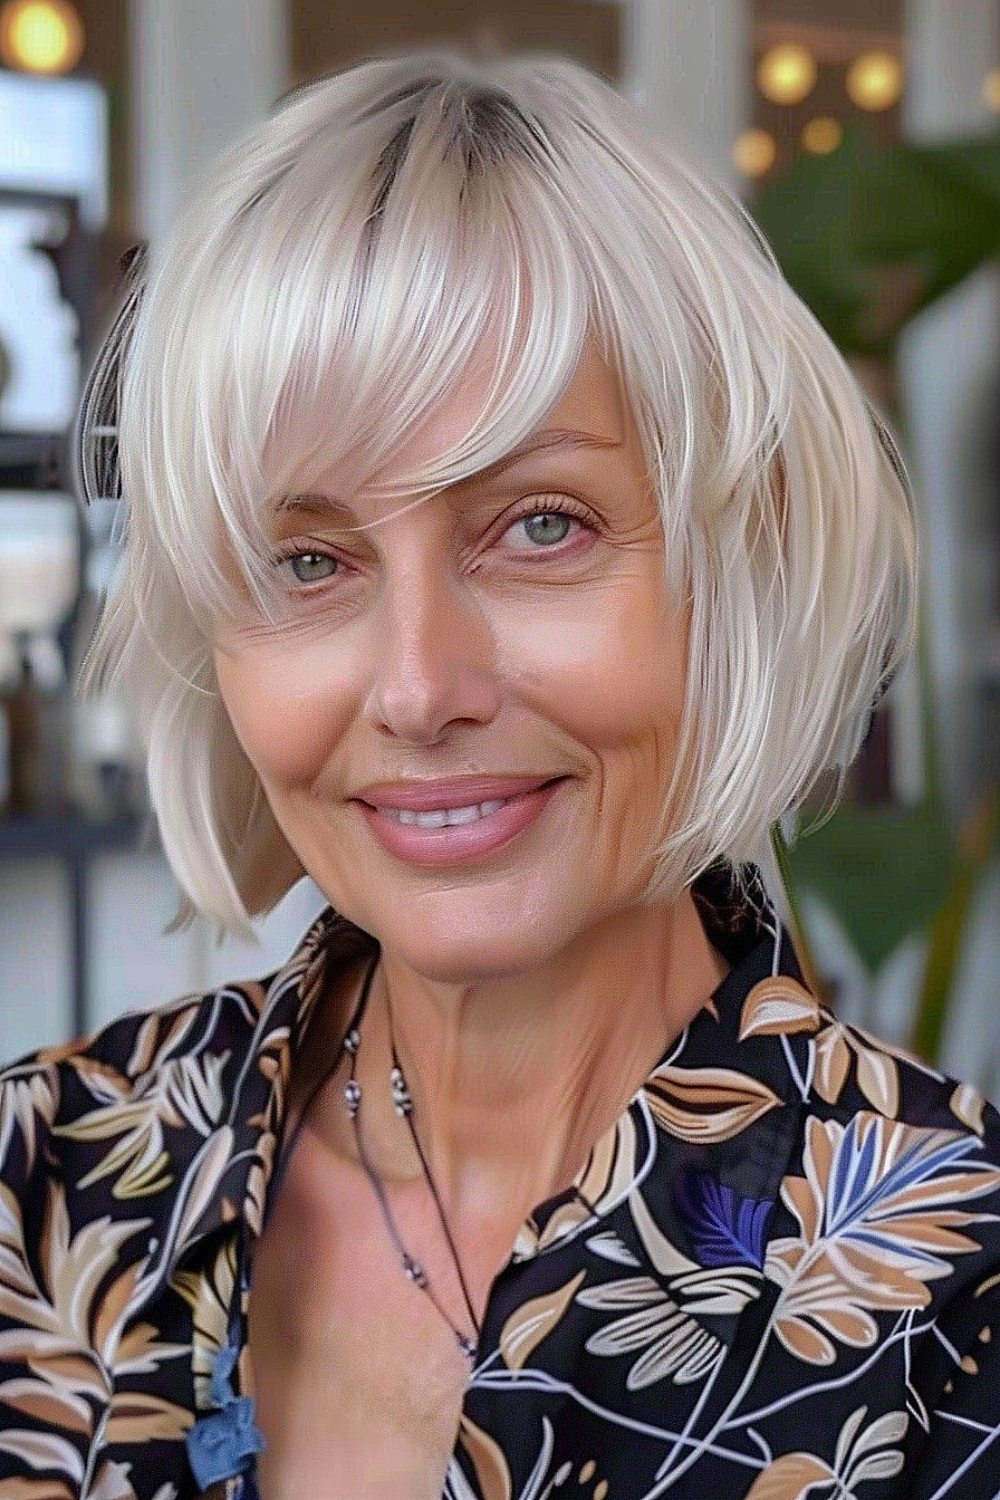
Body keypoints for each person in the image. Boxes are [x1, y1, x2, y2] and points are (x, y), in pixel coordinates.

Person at [0, 45, 997, 1500]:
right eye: (310, 559)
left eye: (540, 525)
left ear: (733, 567)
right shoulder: (44, 1181)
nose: (417, 688)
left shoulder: (957, 1304)